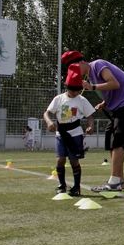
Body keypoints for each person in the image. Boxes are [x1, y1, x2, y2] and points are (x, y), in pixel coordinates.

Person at [60, 50, 124, 192]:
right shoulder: (90, 76)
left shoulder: (97, 65)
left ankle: (114, 182)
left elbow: (115, 83)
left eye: (75, 69)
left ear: (81, 62)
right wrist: (104, 103)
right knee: (110, 138)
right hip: (120, 106)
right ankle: (120, 180)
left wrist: (92, 87)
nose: (76, 73)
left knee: (118, 139)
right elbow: (112, 91)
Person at [44, 63, 95, 197]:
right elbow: (46, 113)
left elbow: (90, 116)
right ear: (67, 87)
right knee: (60, 160)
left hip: (76, 133)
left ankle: (76, 187)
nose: (75, 93)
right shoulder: (59, 99)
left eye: (78, 90)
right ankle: (62, 185)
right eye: (73, 90)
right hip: (61, 134)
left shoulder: (82, 100)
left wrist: (91, 126)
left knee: (74, 161)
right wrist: (49, 122)